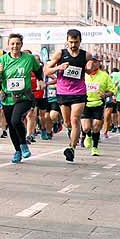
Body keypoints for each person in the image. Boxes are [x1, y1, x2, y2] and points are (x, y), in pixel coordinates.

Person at [0, 34, 43, 163]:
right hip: (8, 98)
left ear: (21, 45)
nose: (15, 46)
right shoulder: (2, 60)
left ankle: (23, 144)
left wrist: (40, 79)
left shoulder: (29, 58)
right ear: (8, 45)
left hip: (24, 97)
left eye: (17, 44)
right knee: (11, 126)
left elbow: (38, 69)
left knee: (15, 120)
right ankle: (17, 151)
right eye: (12, 44)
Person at [47, 29, 88, 162]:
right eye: (70, 42)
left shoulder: (86, 55)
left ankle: (72, 148)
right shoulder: (60, 53)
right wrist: (58, 68)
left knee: (75, 119)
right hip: (63, 92)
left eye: (76, 42)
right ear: (67, 41)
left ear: (80, 41)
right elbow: (46, 70)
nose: (73, 45)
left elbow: (91, 69)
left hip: (79, 92)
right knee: (67, 122)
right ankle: (69, 130)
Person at [81, 55, 116, 157]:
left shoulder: (104, 75)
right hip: (85, 103)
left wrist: (105, 95)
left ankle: (95, 147)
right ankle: (88, 135)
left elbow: (112, 90)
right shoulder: (83, 75)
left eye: (95, 62)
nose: (92, 64)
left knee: (96, 127)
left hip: (98, 103)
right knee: (86, 128)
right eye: (90, 61)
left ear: (98, 63)